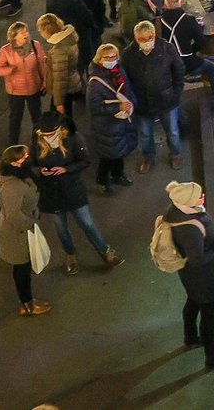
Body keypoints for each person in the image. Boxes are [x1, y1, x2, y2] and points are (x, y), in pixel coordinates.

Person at [159, 180, 214, 369]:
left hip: (190, 277)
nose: (203, 197)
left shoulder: (176, 213)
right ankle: (212, 357)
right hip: (205, 278)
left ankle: (190, 337)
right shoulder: (190, 227)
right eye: (199, 195)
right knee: (209, 317)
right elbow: (198, 259)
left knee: (193, 302)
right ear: (188, 200)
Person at [31, 112, 122, 273]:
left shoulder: (72, 138)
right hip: (51, 193)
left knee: (87, 223)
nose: (48, 137)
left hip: (72, 189)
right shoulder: (36, 141)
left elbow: (85, 160)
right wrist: (40, 171)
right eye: (45, 134)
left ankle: (105, 252)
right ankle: (70, 255)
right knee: (61, 228)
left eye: (51, 133)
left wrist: (66, 168)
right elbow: (31, 164)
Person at [0, 146, 50, 317]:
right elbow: (13, 216)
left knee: (23, 267)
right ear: (15, 163)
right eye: (24, 157)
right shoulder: (10, 187)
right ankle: (27, 305)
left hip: (23, 228)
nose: (28, 159)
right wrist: (31, 224)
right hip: (16, 234)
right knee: (22, 270)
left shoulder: (20, 175)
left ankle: (28, 301)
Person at [121, 19, 184, 173]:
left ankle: (176, 155)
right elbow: (125, 79)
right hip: (142, 102)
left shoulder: (167, 48)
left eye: (149, 38)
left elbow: (179, 70)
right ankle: (148, 157)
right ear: (135, 38)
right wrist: (132, 98)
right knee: (145, 133)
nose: (146, 42)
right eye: (141, 39)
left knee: (173, 131)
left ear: (154, 35)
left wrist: (176, 92)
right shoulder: (129, 54)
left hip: (167, 99)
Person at [86, 42, 136, 194]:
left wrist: (132, 105)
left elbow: (128, 89)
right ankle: (102, 181)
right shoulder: (95, 83)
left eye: (114, 56)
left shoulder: (118, 71)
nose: (111, 59)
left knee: (119, 152)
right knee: (108, 156)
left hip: (121, 122)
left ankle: (117, 175)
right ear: (99, 59)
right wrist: (118, 108)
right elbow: (94, 108)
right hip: (106, 126)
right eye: (106, 57)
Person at [0, 21, 48, 146]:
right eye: (22, 32)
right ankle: (13, 144)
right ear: (14, 36)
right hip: (15, 90)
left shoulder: (35, 45)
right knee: (15, 117)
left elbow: (42, 64)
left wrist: (45, 80)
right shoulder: (6, 50)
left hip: (34, 87)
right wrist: (9, 70)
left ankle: (39, 142)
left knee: (37, 116)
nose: (26, 34)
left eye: (26, 31)